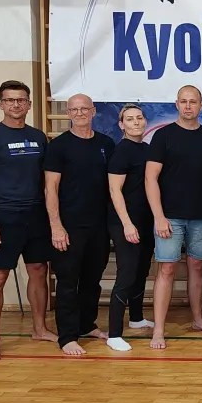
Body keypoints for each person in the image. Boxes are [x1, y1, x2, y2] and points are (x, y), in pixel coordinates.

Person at [0, 80, 56, 361]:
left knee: (39, 270)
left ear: (29, 104)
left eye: (21, 100)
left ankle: (39, 328)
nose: (15, 104)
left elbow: (47, 181)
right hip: (4, 216)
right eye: (9, 100)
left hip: (36, 215)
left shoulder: (38, 137)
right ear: (1, 104)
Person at [145, 85, 202, 349]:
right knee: (166, 268)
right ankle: (159, 329)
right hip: (170, 218)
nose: (188, 106)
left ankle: (198, 318)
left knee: (197, 267)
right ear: (176, 104)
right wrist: (159, 216)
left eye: (193, 101)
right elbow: (150, 178)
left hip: (201, 217)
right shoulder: (163, 136)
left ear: (201, 105)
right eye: (184, 101)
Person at [44, 93, 116, 355]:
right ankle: (67, 337)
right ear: (68, 113)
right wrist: (56, 226)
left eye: (84, 109)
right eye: (74, 110)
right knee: (67, 281)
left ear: (93, 111)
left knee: (92, 280)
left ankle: (87, 325)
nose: (80, 113)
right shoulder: (58, 146)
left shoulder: (106, 144)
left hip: (98, 226)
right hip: (69, 227)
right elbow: (51, 188)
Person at [105, 104, 155, 352]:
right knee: (126, 275)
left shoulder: (146, 149)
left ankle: (136, 317)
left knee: (141, 271)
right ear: (121, 124)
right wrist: (127, 223)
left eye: (139, 118)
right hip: (125, 222)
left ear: (145, 121)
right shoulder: (121, 151)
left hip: (146, 220)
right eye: (130, 119)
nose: (135, 122)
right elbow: (115, 190)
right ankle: (114, 333)